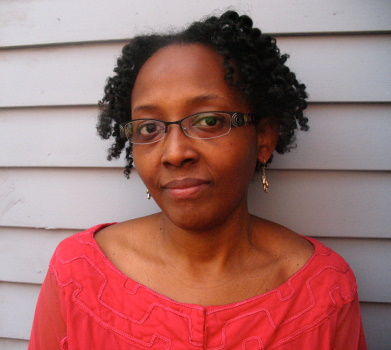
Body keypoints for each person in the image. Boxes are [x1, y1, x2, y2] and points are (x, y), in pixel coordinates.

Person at [28, 11, 367, 349]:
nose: (174, 153)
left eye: (208, 121)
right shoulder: (78, 275)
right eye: (149, 128)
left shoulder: (325, 292)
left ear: (263, 137)